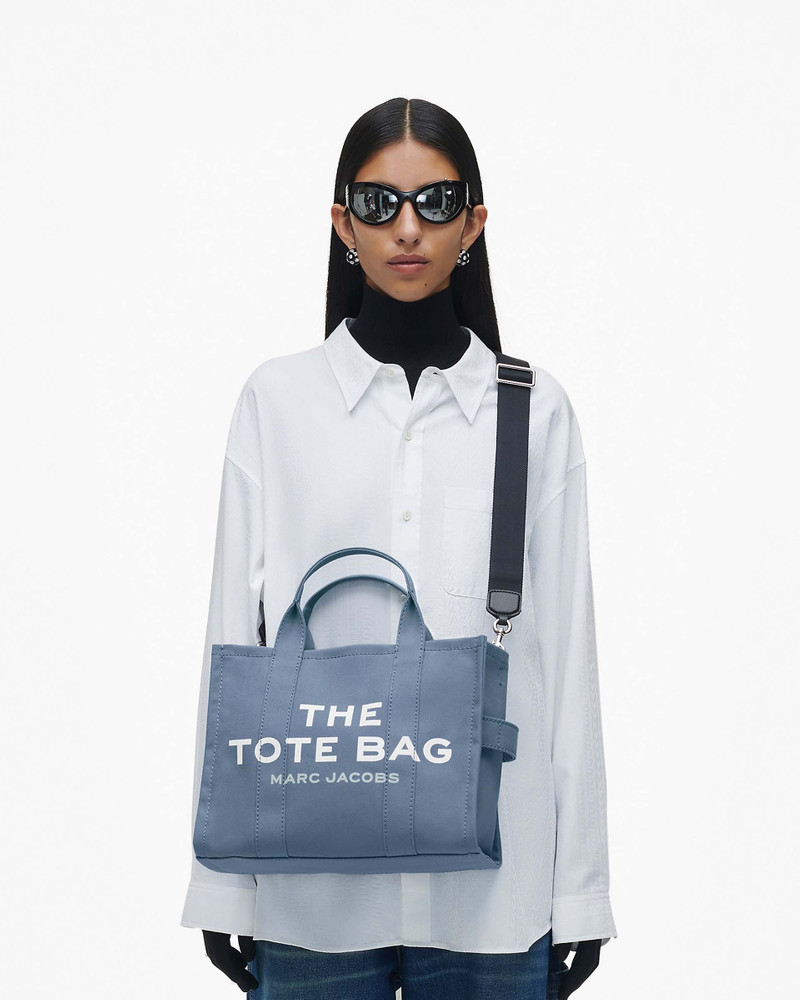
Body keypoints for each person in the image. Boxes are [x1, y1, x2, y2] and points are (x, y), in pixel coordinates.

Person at [180, 97, 618, 1000]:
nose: (408, 228)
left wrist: (581, 893)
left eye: (436, 201)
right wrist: (221, 880)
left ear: (474, 224)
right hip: (313, 895)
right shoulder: (276, 402)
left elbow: (566, 660)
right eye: (379, 204)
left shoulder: (535, 411)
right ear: (344, 223)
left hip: (494, 899)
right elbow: (232, 643)